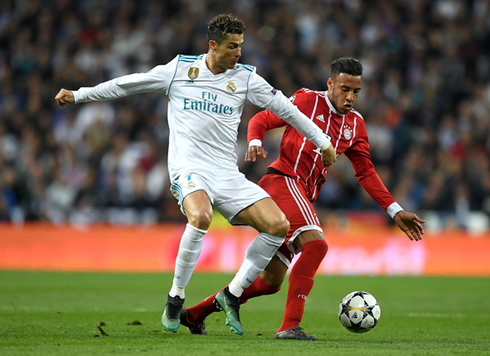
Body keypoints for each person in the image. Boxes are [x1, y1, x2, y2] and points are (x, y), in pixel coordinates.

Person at [54, 14, 337, 336]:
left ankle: (231, 295)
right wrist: (79, 94)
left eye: (241, 46)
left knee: (278, 226)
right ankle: (176, 297)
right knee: (200, 217)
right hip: (189, 168)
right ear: (213, 45)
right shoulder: (180, 70)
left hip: (226, 173)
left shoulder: (245, 78)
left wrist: (323, 141)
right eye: (232, 46)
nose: (238, 53)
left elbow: (288, 111)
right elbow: (128, 84)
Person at [179, 57, 425, 340]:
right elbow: (262, 118)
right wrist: (256, 141)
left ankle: (194, 314)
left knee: (270, 281)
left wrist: (395, 211)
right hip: (282, 182)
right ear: (330, 83)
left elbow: (366, 172)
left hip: (301, 194)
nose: (351, 97)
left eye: (356, 91)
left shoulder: (355, 124)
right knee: (316, 246)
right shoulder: (307, 100)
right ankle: (289, 327)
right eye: (345, 88)